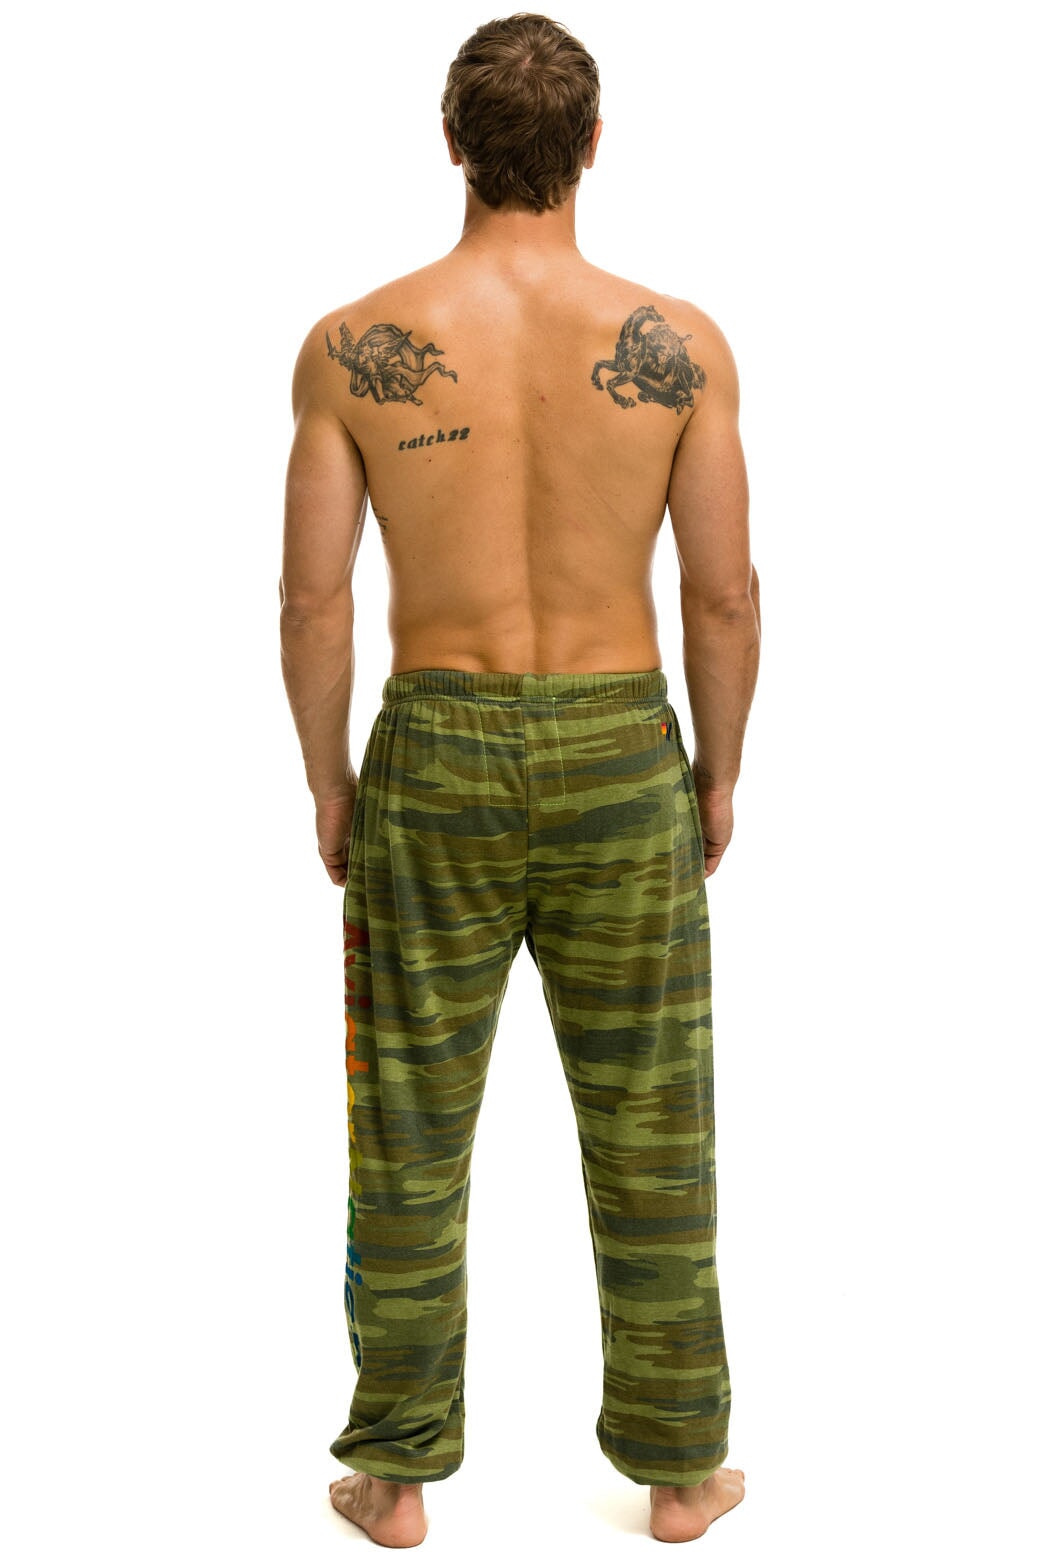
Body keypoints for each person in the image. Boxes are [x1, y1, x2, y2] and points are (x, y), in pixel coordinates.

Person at [280, 13, 760, 1547]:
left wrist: (330, 786)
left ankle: (395, 1474)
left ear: (451, 143)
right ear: (595, 146)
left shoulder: (353, 345)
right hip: (625, 752)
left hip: (435, 749)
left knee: (408, 1123)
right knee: (654, 1121)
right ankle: (680, 1472)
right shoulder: (680, 345)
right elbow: (724, 595)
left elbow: (312, 602)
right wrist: (719, 776)